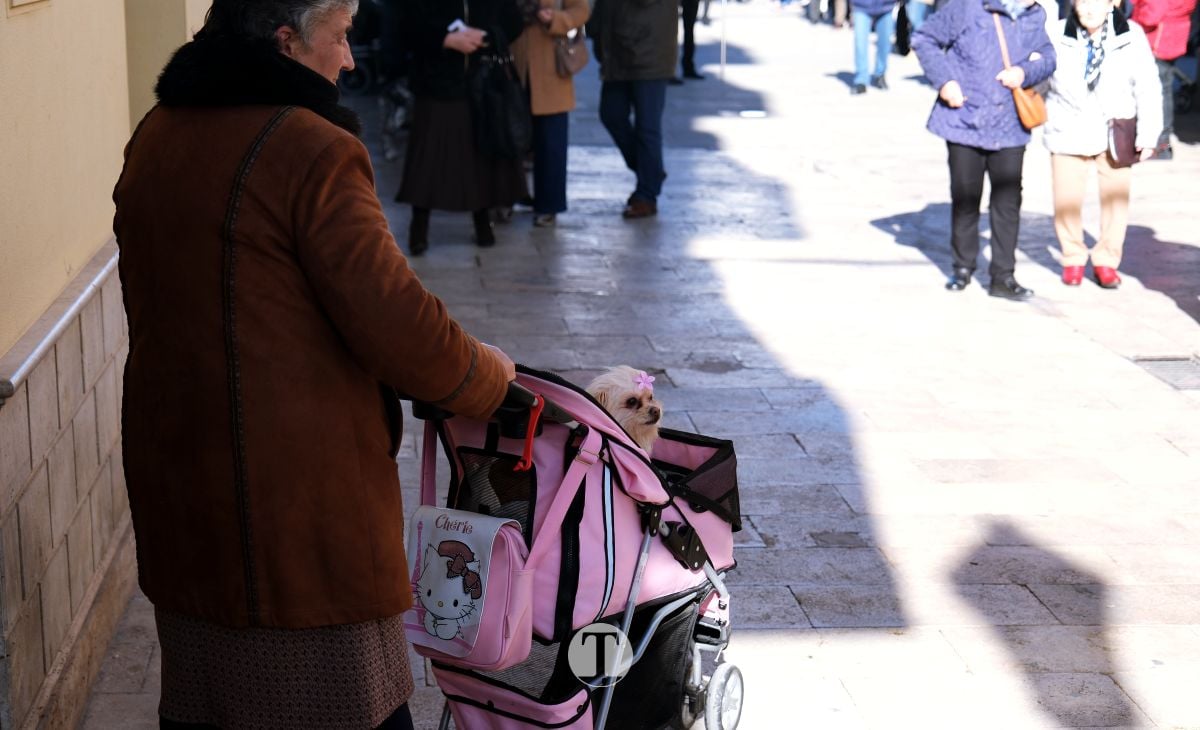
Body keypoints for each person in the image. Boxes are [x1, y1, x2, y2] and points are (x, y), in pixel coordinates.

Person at [112, 1, 516, 727]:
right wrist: (489, 377)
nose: (352, 58)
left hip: (184, 492)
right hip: (294, 518)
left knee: (207, 704)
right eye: (341, 36)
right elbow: (399, 324)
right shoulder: (310, 149)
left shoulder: (156, 136)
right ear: (287, 41)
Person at [912, 0, 1057, 300]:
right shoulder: (968, 7)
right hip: (966, 120)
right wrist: (945, 81)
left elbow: (1048, 57)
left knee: (1008, 202)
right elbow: (924, 38)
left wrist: (1024, 72)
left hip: (1010, 125)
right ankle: (963, 267)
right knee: (966, 197)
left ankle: (1003, 276)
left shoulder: (1034, 15)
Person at [1043, 0, 1162, 287]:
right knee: (1066, 201)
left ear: (1113, 3)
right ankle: (1073, 257)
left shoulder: (1130, 35)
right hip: (1068, 128)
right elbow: (1041, 80)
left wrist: (1148, 135)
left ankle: (1107, 259)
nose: (1088, 8)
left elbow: (1148, 86)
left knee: (1115, 202)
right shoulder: (1057, 34)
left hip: (1115, 131)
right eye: (1082, 1)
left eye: (1097, 0)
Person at [395, 0, 528, 254]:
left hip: (479, 81)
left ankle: (482, 220)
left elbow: (513, 21)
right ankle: (419, 224)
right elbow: (404, 25)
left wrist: (486, 36)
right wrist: (444, 39)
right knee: (427, 157)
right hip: (434, 81)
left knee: (479, 155)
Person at [592, 0, 678, 218]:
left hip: (650, 50)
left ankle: (647, 194)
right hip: (616, 49)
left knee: (647, 126)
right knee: (611, 113)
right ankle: (651, 172)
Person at [511, 0, 591, 227]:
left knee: (551, 141)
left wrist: (556, 19)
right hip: (514, 63)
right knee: (509, 135)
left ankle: (549, 204)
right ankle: (507, 196)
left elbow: (581, 10)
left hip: (551, 68)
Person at [1129, 0, 1198, 158]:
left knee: (1155, 94)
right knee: (1164, 90)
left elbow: (1151, 15)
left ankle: (1160, 146)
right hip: (1173, 35)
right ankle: (1163, 145)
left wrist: (1132, 18)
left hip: (1157, 38)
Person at [851, 0, 899, 93]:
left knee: (884, 43)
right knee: (860, 42)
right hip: (861, 6)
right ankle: (861, 79)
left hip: (886, 5)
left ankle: (880, 74)